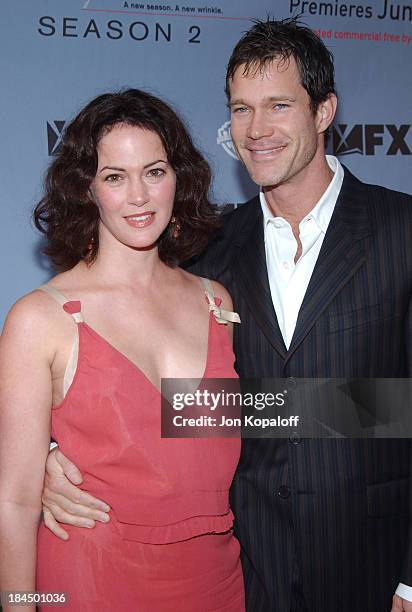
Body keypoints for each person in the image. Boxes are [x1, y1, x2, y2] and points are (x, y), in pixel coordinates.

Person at [40, 17, 412, 612]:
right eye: (241, 109)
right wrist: (50, 456)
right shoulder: (207, 250)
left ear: (324, 112)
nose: (256, 130)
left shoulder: (402, 230)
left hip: (376, 566)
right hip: (246, 571)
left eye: (278, 105)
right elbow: (185, 401)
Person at [0, 89, 245, 611]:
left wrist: (378, 411)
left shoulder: (214, 303)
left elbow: (194, 442)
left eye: (154, 172)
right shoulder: (41, 318)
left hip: (216, 582)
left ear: (179, 178)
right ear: (87, 189)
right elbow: (15, 502)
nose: (139, 195)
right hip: (92, 581)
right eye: (115, 176)